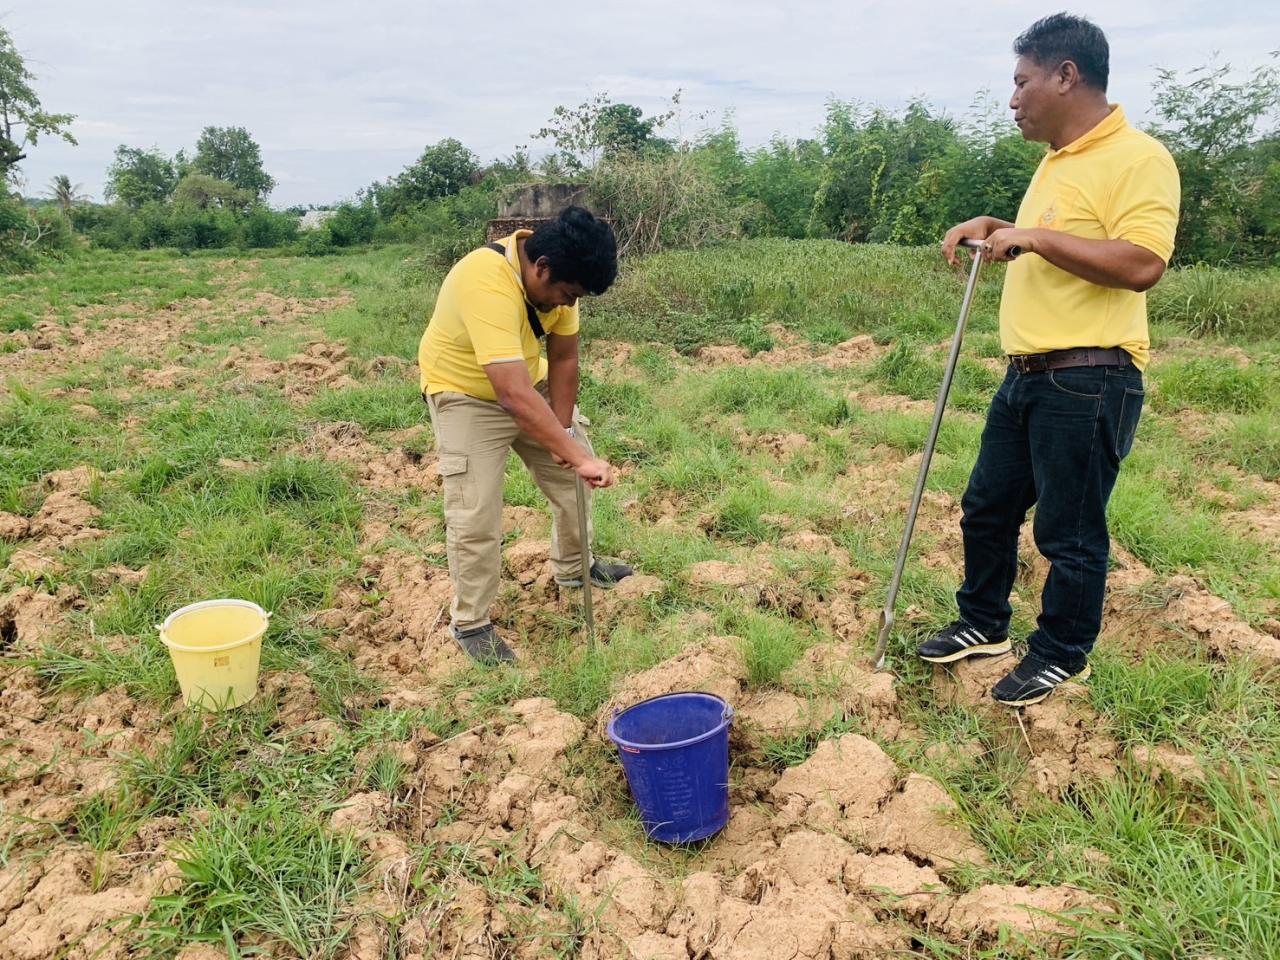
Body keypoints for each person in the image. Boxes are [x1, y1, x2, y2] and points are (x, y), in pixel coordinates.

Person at [917, 13, 1180, 706]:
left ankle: (1063, 651)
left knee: (1068, 530)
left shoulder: (1140, 157)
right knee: (986, 507)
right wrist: (997, 227)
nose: (1012, 99)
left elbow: (1142, 261)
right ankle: (983, 623)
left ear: (1066, 76)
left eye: (1021, 81)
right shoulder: (1057, 164)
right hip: (1027, 373)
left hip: (1090, 378)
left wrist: (1029, 236)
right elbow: (1053, 239)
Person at [419, 206, 633, 665]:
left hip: (523, 381)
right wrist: (573, 452)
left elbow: (564, 360)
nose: (568, 305)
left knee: (574, 480)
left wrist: (562, 434)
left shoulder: (559, 286)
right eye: (566, 293)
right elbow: (511, 394)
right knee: (475, 511)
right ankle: (471, 623)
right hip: (464, 393)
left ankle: (576, 570)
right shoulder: (484, 278)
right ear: (541, 268)